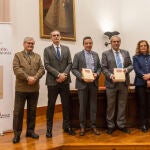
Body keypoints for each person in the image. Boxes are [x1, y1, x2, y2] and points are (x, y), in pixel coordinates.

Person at [12, 37, 45, 143]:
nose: (30, 45)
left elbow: (42, 69)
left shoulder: (38, 56)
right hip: (21, 89)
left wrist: (35, 78)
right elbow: (16, 69)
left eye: (32, 43)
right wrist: (27, 78)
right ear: (24, 44)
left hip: (34, 89)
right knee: (18, 112)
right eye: (28, 43)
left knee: (32, 112)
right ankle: (17, 134)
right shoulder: (18, 55)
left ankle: (30, 131)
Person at [44, 30, 75, 138]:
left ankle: (67, 126)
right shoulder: (47, 50)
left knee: (66, 105)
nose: (56, 37)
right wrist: (58, 75)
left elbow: (70, 63)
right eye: (54, 35)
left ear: (60, 37)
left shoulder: (66, 49)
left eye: (58, 35)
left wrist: (64, 75)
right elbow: (47, 65)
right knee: (51, 106)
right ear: (51, 38)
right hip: (53, 82)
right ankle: (49, 129)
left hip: (65, 81)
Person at [101, 35, 133, 134]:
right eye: (114, 41)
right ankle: (110, 125)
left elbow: (131, 65)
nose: (116, 43)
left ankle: (121, 124)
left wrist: (126, 69)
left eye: (118, 41)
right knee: (110, 106)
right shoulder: (105, 53)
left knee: (122, 105)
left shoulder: (125, 53)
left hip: (123, 83)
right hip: (111, 83)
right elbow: (103, 68)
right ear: (111, 43)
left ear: (120, 42)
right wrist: (111, 76)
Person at [72, 36, 101, 136]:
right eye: (86, 43)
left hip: (93, 84)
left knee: (93, 106)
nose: (88, 45)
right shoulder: (78, 55)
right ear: (83, 44)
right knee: (82, 107)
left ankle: (93, 126)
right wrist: (82, 77)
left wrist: (97, 73)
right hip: (82, 84)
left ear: (92, 44)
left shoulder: (96, 55)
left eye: (90, 43)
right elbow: (74, 68)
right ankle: (82, 126)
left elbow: (99, 68)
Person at [133, 40, 150, 132]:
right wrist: (147, 78)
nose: (143, 47)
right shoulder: (135, 57)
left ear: (147, 47)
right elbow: (137, 69)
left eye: (145, 45)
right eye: (141, 46)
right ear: (139, 47)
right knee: (142, 104)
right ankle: (143, 124)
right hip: (140, 84)